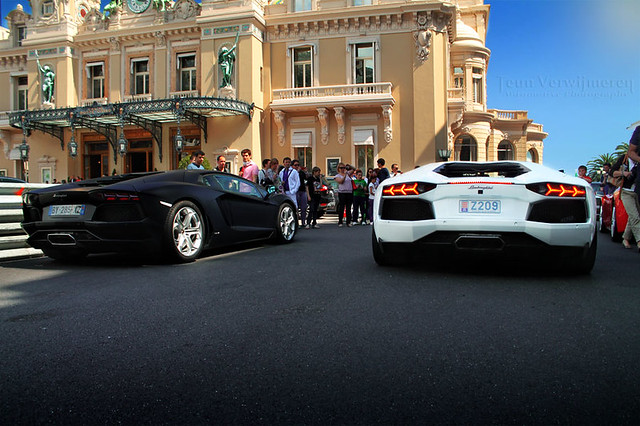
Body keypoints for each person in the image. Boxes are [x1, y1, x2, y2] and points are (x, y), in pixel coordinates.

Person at [610, 148, 640, 251]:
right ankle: (639, 242)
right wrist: (624, 173)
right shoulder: (624, 159)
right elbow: (612, 172)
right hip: (626, 192)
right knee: (635, 217)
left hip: (637, 192)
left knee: (633, 216)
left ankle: (626, 238)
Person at [334, 162, 354, 227]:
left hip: (349, 192)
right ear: (338, 169)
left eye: (344, 168)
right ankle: (340, 221)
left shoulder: (348, 174)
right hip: (342, 192)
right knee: (342, 207)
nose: (343, 169)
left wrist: (349, 166)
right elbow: (341, 181)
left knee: (348, 207)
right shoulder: (337, 176)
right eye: (341, 168)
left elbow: (354, 169)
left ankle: (348, 222)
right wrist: (344, 175)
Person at [292, 160, 309, 227]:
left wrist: (306, 172)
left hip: (302, 190)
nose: (297, 166)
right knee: (296, 208)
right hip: (295, 191)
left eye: (298, 165)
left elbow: (307, 178)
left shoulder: (301, 172)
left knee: (303, 207)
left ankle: (303, 222)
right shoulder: (291, 173)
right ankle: (296, 223)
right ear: (292, 166)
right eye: (295, 165)